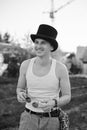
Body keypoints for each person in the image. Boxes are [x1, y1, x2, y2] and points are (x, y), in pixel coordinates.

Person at [16, 24, 71, 130]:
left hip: (51, 120)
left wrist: (54, 103)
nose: (38, 46)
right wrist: (20, 94)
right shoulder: (25, 65)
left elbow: (67, 96)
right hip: (28, 119)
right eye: (36, 42)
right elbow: (19, 88)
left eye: (43, 43)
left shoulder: (60, 68)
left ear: (51, 47)